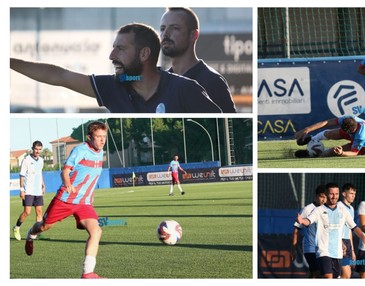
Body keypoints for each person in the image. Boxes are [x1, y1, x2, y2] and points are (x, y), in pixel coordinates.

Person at [10, 23, 222, 113]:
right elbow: (60, 76)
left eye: (120, 49)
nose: (112, 56)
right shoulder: (115, 86)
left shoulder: (186, 89)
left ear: (144, 54)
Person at [24, 121, 108, 279]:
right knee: (43, 227)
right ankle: (30, 234)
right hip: (66, 199)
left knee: (96, 231)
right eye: (98, 137)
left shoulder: (100, 152)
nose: (102, 140)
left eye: (104, 137)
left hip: (84, 203)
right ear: (89, 137)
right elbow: (65, 171)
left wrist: (90, 195)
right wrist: (68, 183)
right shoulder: (80, 150)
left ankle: (87, 273)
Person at [160, 7, 237, 113]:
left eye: (175, 28)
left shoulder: (213, 82)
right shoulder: (162, 82)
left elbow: (229, 125)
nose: (165, 34)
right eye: (162, 28)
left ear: (193, 35)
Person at [296, 182, 365, 279]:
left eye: (336, 194)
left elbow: (354, 227)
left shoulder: (343, 211)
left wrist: (363, 237)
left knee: (337, 277)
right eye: (331, 194)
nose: (334, 197)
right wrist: (302, 221)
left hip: (338, 253)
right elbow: (309, 221)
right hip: (323, 252)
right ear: (326, 194)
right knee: (328, 277)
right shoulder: (318, 210)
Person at [293, 115, 365, 158]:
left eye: (346, 131)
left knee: (333, 152)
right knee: (331, 133)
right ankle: (312, 139)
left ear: (352, 130)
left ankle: (312, 153)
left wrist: (342, 153)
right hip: (355, 133)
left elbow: (354, 152)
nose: (343, 131)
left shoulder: (361, 136)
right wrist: (308, 129)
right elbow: (327, 122)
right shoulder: (348, 119)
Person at [291, 184, 327, 278]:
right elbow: (296, 229)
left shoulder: (327, 210)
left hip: (323, 248)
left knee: (313, 274)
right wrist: (293, 249)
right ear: (316, 196)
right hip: (310, 248)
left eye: (325, 197)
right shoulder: (307, 209)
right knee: (318, 274)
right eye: (321, 197)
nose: (324, 200)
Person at [12, 141, 46, 241]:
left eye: (40, 149)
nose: (38, 151)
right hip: (29, 191)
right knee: (27, 212)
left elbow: (40, 173)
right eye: (36, 149)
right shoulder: (26, 160)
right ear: (32, 148)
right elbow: (22, 176)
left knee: (39, 212)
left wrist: (43, 185)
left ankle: (37, 232)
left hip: (38, 191)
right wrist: (22, 190)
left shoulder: (41, 160)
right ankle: (16, 227)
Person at [339, 183, 357, 279]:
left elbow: (350, 229)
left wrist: (353, 250)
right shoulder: (338, 207)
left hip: (348, 243)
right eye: (351, 193)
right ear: (344, 194)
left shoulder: (352, 209)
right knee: (346, 274)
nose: (353, 196)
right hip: (340, 243)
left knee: (347, 275)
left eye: (354, 193)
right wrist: (341, 243)